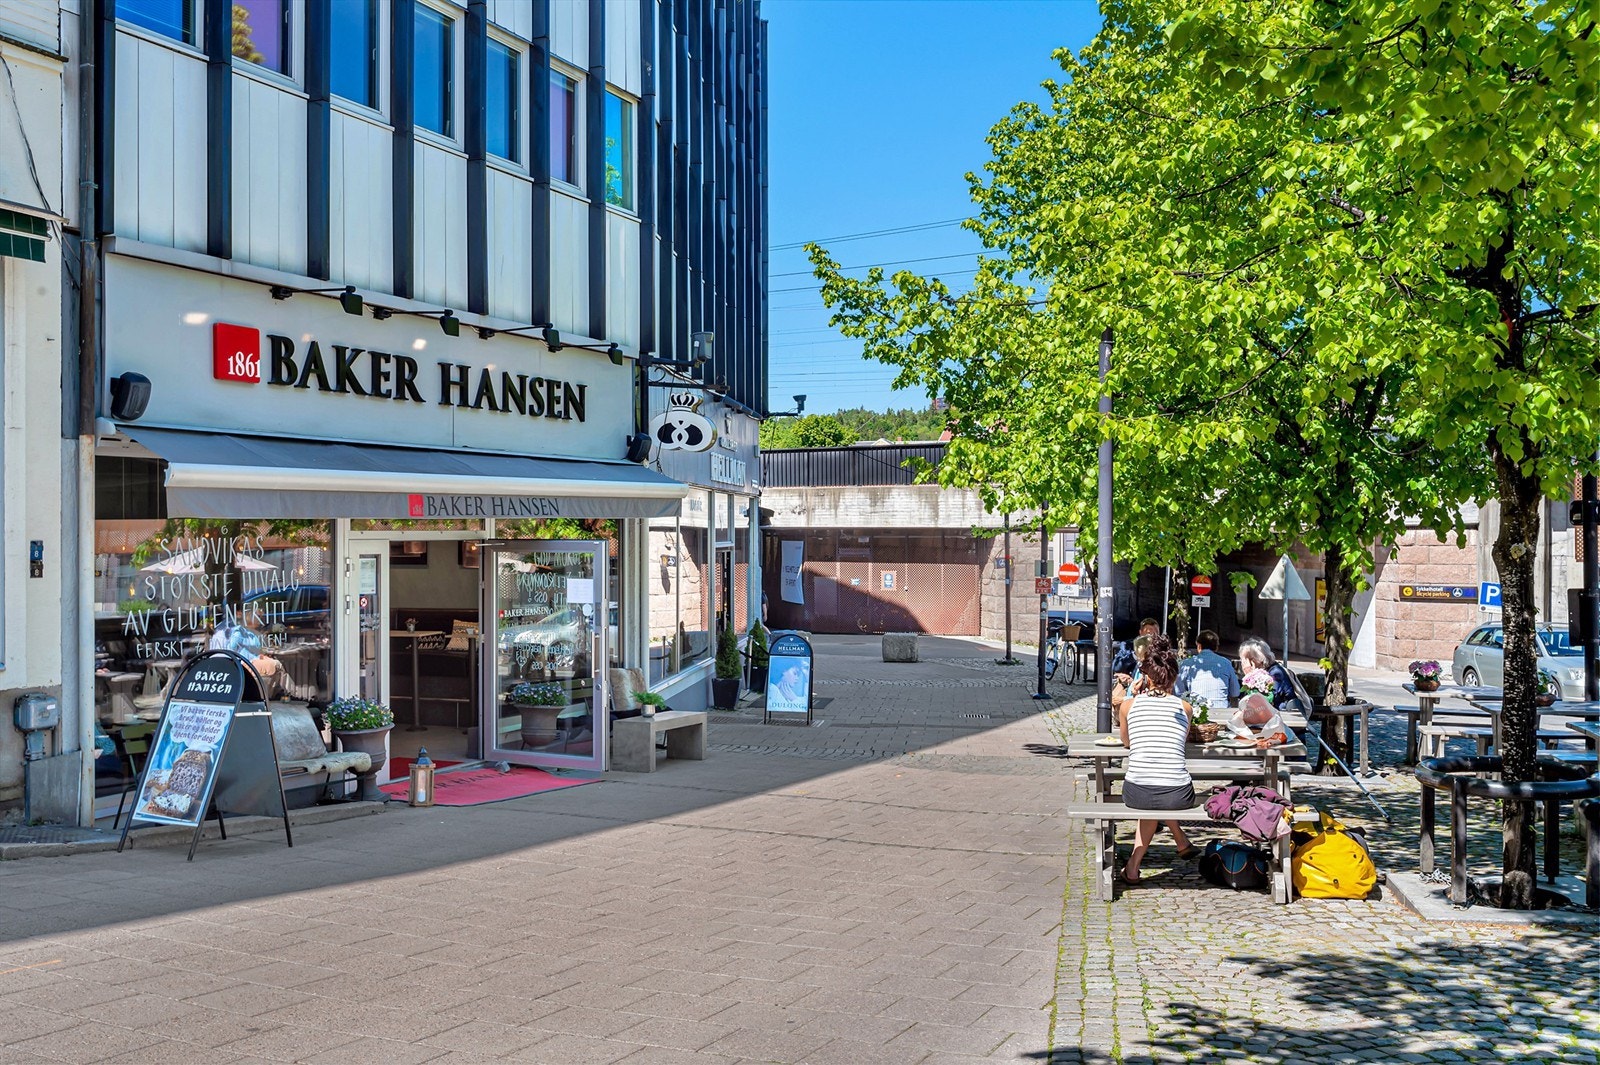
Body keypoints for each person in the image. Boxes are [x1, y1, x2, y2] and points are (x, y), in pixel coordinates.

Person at [1112, 635, 1199, 884]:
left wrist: (1135, 696)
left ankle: (1132, 867)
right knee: (1157, 795)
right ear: (1173, 677)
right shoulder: (1185, 708)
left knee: (1149, 798)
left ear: (1146, 677)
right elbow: (1178, 742)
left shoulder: (1128, 707)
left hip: (1137, 790)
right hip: (1178, 793)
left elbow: (1127, 743)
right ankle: (1138, 863)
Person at [1238, 637, 1311, 709]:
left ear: (1254, 660)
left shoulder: (1275, 673)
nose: (1242, 663)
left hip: (1285, 714)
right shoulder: (1266, 671)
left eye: (1243, 659)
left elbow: (1266, 701)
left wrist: (1250, 676)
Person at [1175, 629, 1239, 708]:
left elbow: (1178, 692)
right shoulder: (1226, 663)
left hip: (1197, 711)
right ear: (1216, 647)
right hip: (1222, 711)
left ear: (1199, 646)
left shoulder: (1187, 664)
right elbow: (1235, 692)